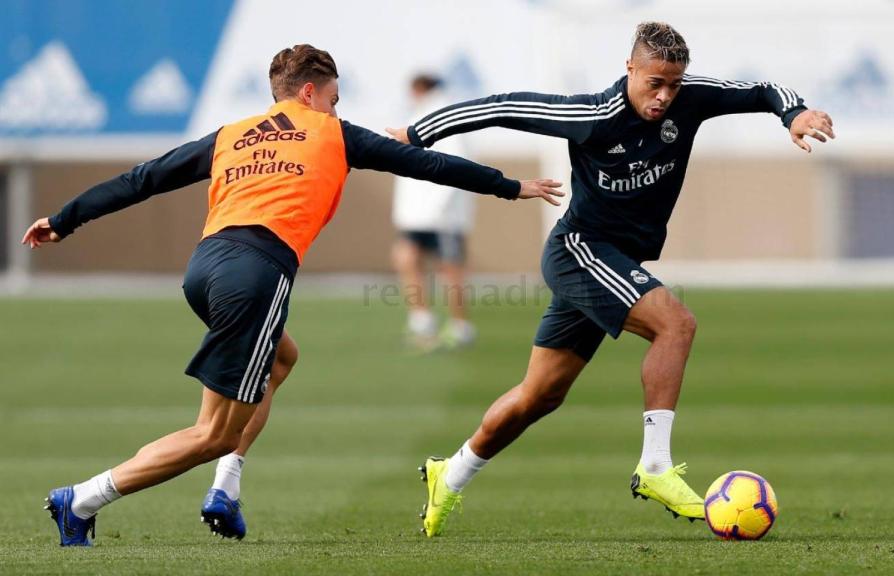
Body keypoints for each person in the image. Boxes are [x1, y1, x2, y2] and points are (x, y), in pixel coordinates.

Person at [23, 44, 563, 547]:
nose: (335, 108)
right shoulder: (334, 134)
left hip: (205, 267)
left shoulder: (232, 134)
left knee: (282, 357)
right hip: (255, 276)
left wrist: (64, 219)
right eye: (333, 98)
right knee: (212, 433)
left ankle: (226, 486)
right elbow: (427, 164)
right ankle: (82, 500)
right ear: (309, 92)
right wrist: (510, 186)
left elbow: (143, 179)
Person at [387, 22, 835, 537]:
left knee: (539, 396)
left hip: (613, 260)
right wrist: (417, 134)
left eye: (673, 85)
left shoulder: (691, 98)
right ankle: (656, 467)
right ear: (630, 69)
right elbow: (502, 105)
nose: (664, 96)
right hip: (580, 251)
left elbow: (761, 90)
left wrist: (794, 114)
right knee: (676, 325)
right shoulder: (593, 116)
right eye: (654, 83)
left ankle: (451, 473)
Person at [391, 74, 476, 351]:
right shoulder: (417, 116)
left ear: (419, 89)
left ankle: (460, 326)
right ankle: (422, 320)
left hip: (443, 216)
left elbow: (458, 164)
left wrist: (439, 206)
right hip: (416, 215)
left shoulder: (446, 116)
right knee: (406, 258)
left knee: (450, 269)